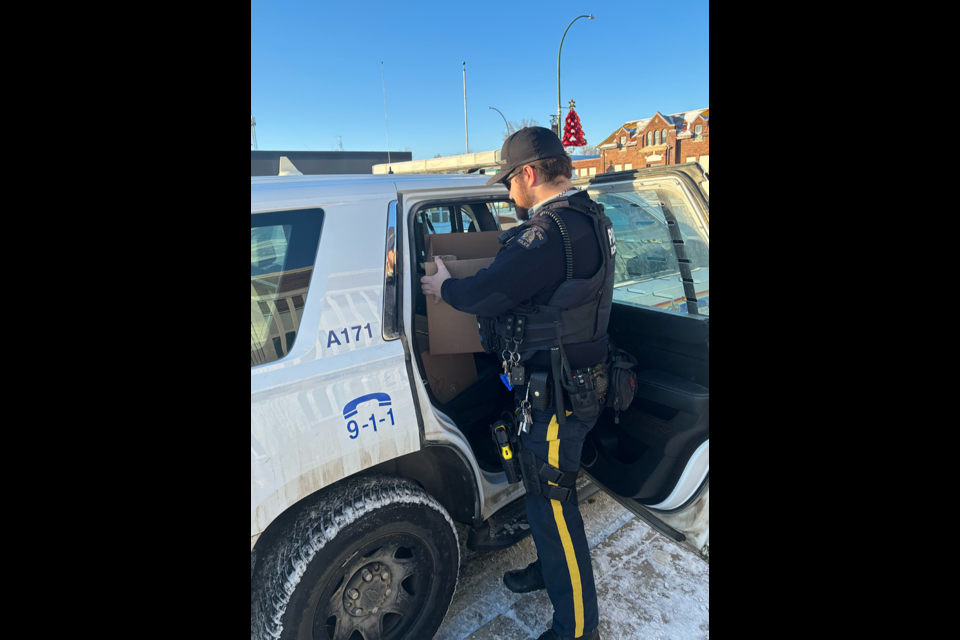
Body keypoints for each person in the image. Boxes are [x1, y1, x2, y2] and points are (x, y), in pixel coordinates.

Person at [421, 127, 616, 640]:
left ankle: (576, 627)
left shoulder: (548, 233)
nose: (508, 192)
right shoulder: (589, 216)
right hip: (573, 381)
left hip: (559, 392)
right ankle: (552, 571)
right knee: (544, 494)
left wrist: (444, 286)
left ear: (529, 174)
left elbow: (488, 291)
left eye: (509, 181)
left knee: (553, 501)